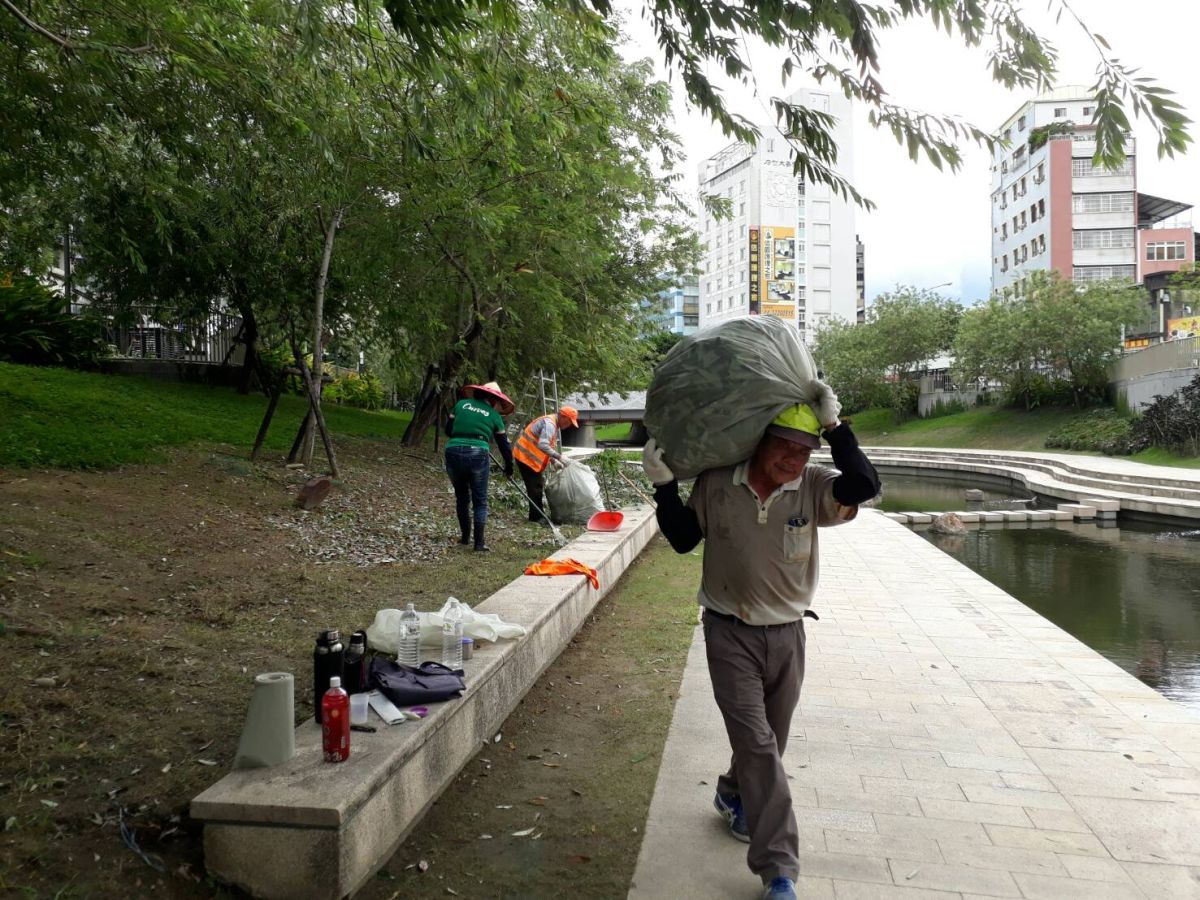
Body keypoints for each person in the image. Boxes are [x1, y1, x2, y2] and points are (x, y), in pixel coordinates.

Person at [642, 381, 879, 900]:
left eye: (804, 451)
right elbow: (683, 539)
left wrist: (835, 428)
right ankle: (778, 870)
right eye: (785, 447)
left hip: (789, 634)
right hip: (729, 633)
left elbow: (863, 485)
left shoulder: (813, 485)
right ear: (758, 442)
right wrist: (664, 488)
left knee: (770, 740)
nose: (794, 460)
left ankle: (732, 794)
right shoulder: (718, 482)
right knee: (758, 745)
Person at [444, 381, 515, 552]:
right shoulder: (494, 415)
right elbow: (504, 446)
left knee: (462, 497)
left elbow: (448, 430)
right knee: (480, 500)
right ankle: (479, 543)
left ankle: (465, 538)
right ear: (493, 399)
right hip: (478, 454)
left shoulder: (461, 404)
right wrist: (509, 468)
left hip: (453, 451)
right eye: (497, 401)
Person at [512, 405, 579, 524]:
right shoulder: (550, 424)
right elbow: (543, 445)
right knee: (535, 488)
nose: (569, 425)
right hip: (525, 457)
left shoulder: (552, 424)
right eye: (569, 422)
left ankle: (538, 515)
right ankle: (536, 517)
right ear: (563, 417)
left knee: (537, 486)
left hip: (528, 458)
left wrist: (553, 461)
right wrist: (559, 457)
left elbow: (547, 446)